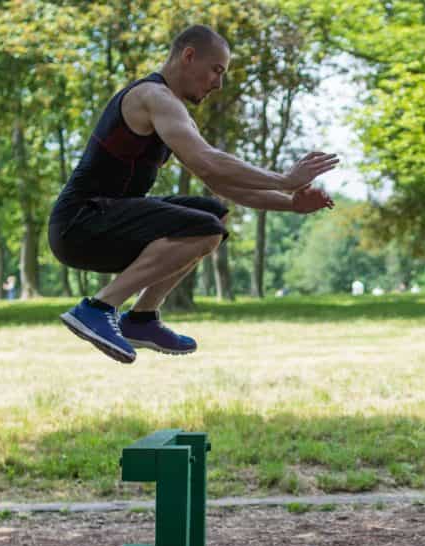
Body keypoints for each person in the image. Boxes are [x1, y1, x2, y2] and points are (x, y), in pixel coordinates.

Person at [48, 25, 337, 364]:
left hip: (105, 217)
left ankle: (141, 319)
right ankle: (98, 308)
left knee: (214, 214)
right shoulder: (152, 97)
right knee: (204, 229)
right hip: (79, 224)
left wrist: (290, 204)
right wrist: (285, 180)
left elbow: (221, 184)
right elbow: (209, 162)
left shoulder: (171, 108)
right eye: (216, 70)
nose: (219, 83)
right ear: (188, 56)